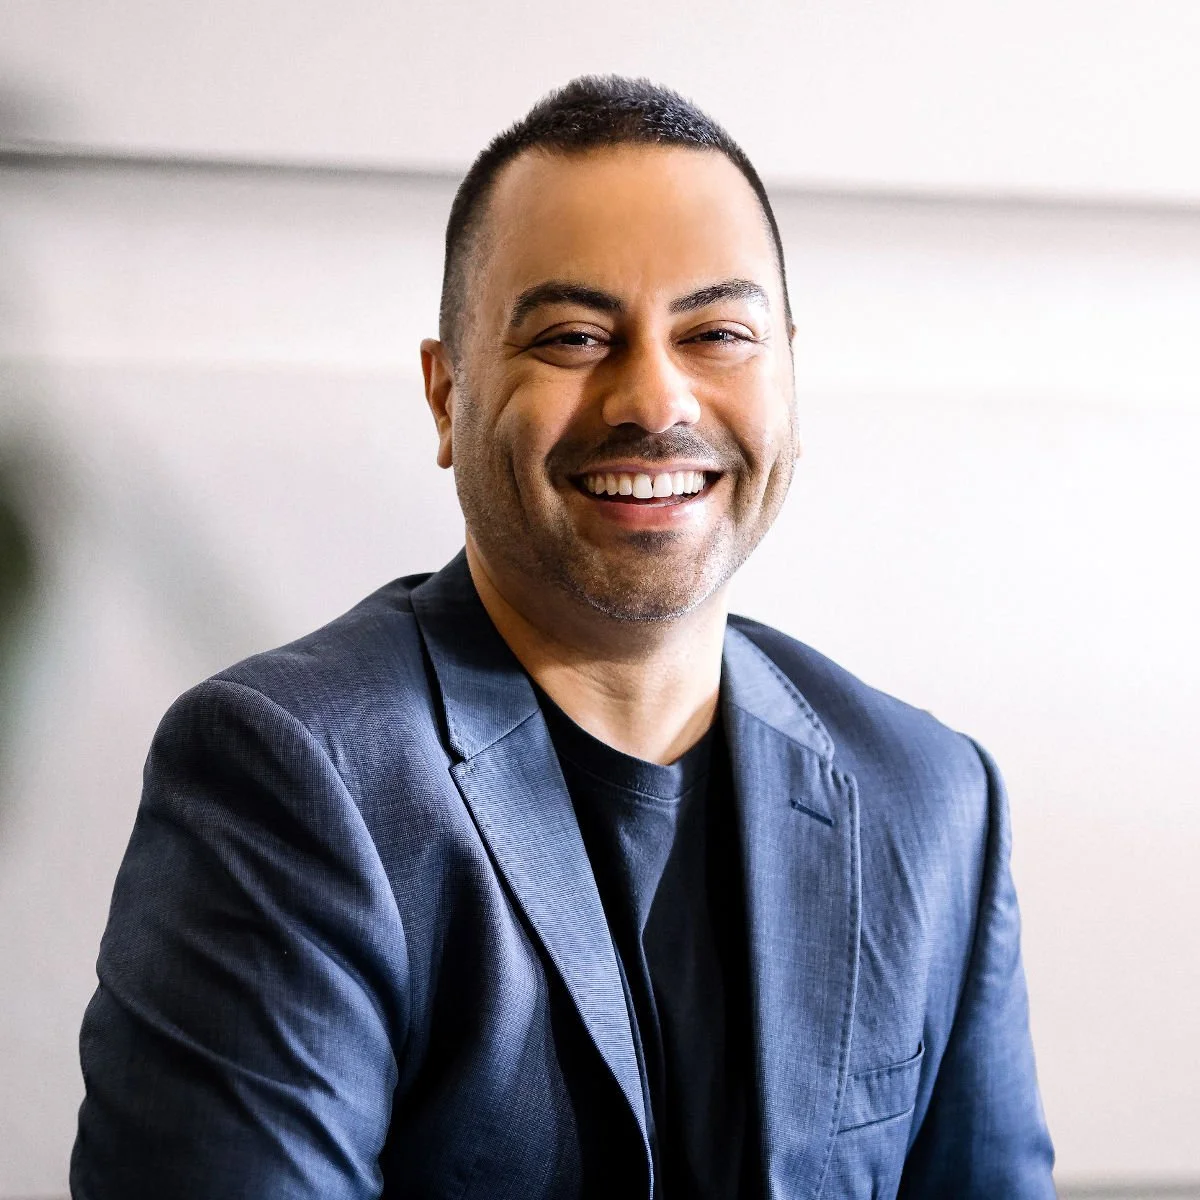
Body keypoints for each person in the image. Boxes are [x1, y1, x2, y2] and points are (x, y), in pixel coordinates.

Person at [71, 76, 1055, 1199]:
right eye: (576, 335)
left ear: (789, 371)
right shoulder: (288, 776)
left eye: (719, 332)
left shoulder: (932, 800)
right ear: (446, 397)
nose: (653, 397)